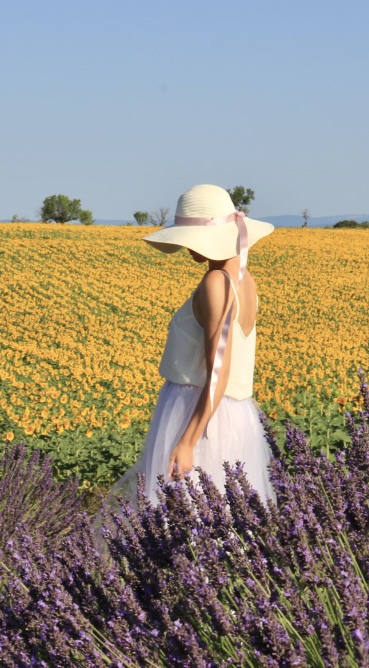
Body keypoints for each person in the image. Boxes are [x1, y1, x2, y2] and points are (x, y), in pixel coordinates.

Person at [105, 184, 277, 508]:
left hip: (201, 418)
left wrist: (187, 442)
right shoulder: (245, 280)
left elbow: (218, 372)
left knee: (185, 522)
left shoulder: (216, 283)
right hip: (233, 415)